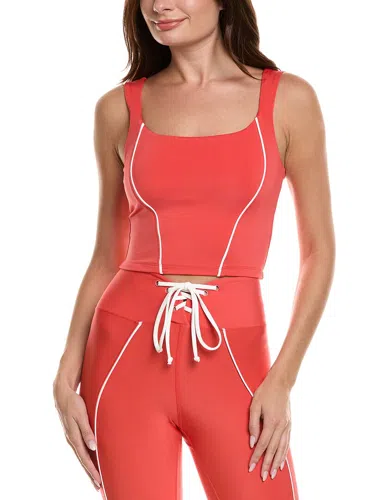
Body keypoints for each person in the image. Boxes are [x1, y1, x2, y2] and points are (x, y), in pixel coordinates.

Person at [53, 0, 335, 498]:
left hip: (235, 358)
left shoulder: (288, 101)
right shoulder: (118, 109)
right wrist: (65, 373)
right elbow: (107, 255)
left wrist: (283, 380)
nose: (159, 5)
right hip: (123, 356)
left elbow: (318, 252)